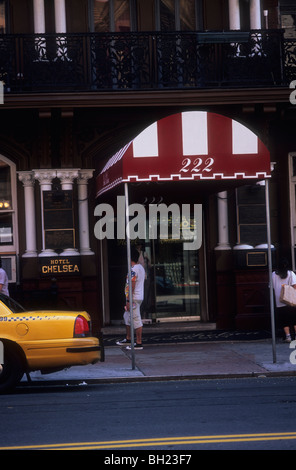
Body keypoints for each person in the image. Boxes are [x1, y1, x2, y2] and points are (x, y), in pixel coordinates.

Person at [116, 247, 145, 350]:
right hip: (136, 297)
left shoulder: (133, 269)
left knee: (136, 318)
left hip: (133, 298)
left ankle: (138, 342)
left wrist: (129, 300)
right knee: (127, 317)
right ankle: (128, 338)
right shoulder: (140, 267)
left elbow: (131, 285)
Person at [272, 258, 296, 342]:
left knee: (284, 320)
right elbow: (294, 285)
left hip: (280, 300)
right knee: (294, 319)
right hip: (291, 300)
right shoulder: (290, 273)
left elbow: (270, 287)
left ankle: (288, 336)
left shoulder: (274, 274)